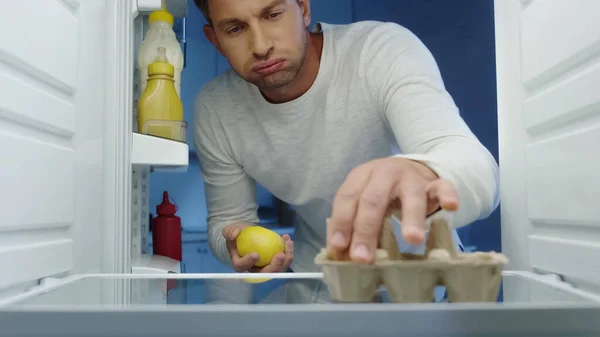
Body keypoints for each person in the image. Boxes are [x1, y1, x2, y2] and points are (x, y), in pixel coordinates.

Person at [192, 0, 499, 278]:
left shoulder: (379, 50)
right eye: (235, 29)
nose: (260, 46)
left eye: (273, 14)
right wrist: (234, 245)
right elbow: (227, 221)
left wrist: (423, 171)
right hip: (318, 280)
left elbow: (479, 170)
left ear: (304, 8)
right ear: (215, 40)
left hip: (426, 276)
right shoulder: (217, 108)